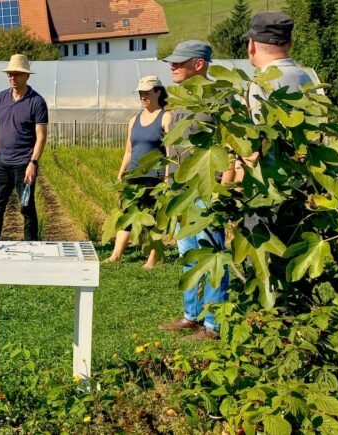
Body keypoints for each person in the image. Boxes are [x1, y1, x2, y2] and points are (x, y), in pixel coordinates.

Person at [156, 40, 230, 340]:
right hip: (182, 189)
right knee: (188, 253)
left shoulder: (220, 99)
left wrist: (225, 185)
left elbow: (230, 144)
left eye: (179, 62)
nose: (172, 66)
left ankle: (213, 323)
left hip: (206, 187)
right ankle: (192, 315)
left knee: (211, 254)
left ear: (198, 64)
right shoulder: (180, 99)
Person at [228, 11, 318, 185]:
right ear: (289, 44)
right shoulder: (305, 77)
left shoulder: (259, 82)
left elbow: (254, 148)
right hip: (300, 178)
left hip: (268, 182)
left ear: (251, 45)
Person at [105, 75, 172, 269]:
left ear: (158, 92)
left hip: (155, 177)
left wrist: (167, 177)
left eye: (147, 93)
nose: (143, 97)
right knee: (127, 214)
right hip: (134, 176)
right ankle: (115, 255)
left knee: (155, 218)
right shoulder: (134, 119)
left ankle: (152, 258)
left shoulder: (165, 117)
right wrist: (121, 173)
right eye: (141, 93)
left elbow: (169, 150)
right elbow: (129, 150)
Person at [0, 54, 48, 241]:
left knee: (26, 206)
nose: (12, 77)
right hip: (1, 163)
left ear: (27, 76)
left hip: (24, 165)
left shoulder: (36, 102)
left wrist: (33, 163)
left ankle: (31, 245)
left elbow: (41, 136)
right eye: (10, 74)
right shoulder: (1, 98)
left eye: (17, 74)